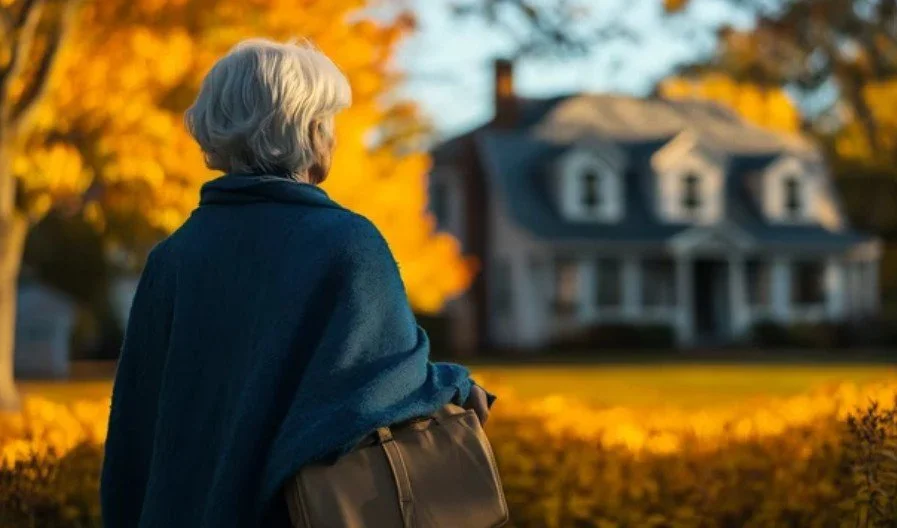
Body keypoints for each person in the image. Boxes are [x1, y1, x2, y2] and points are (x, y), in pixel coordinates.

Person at [100, 38, 494, 528]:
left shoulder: (171, 259)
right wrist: (456, 384)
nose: (333, 137)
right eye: (329, 123)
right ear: (308, 130)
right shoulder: (347, 243)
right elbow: (380, 388)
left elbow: (132, 437)